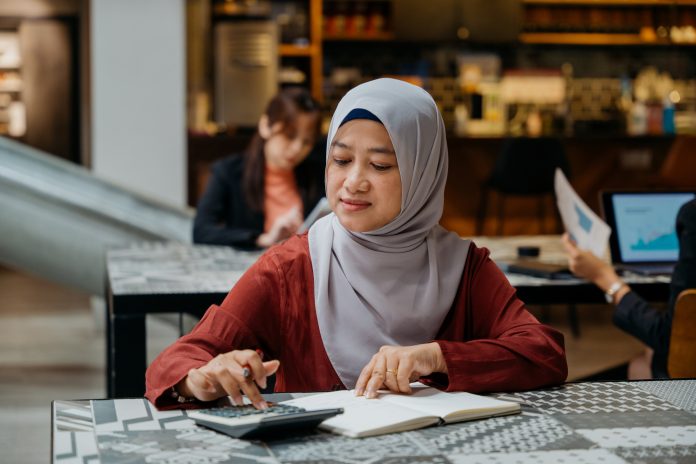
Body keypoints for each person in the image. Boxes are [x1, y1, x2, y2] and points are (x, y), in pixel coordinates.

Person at [146, 78, 567, 409]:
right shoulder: (292, 267)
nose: (353, 182)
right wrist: (199, 379)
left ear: (423, 174)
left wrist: (436, 357)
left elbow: (544, 353)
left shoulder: (463, 267)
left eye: (380, 164)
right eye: (341, 159)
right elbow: (178, 360)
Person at [562, 199, 696, 379]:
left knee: (642, 363)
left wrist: (604, 277)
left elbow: (669, 338)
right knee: (648, 355)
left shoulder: (692, 214)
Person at [193, 87, 325, 249]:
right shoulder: (228, 172)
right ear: (265, 126)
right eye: (289, 136)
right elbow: (202, 231)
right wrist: (262, 239)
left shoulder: (317, 173)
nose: (297, 149)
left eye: (307, 142)